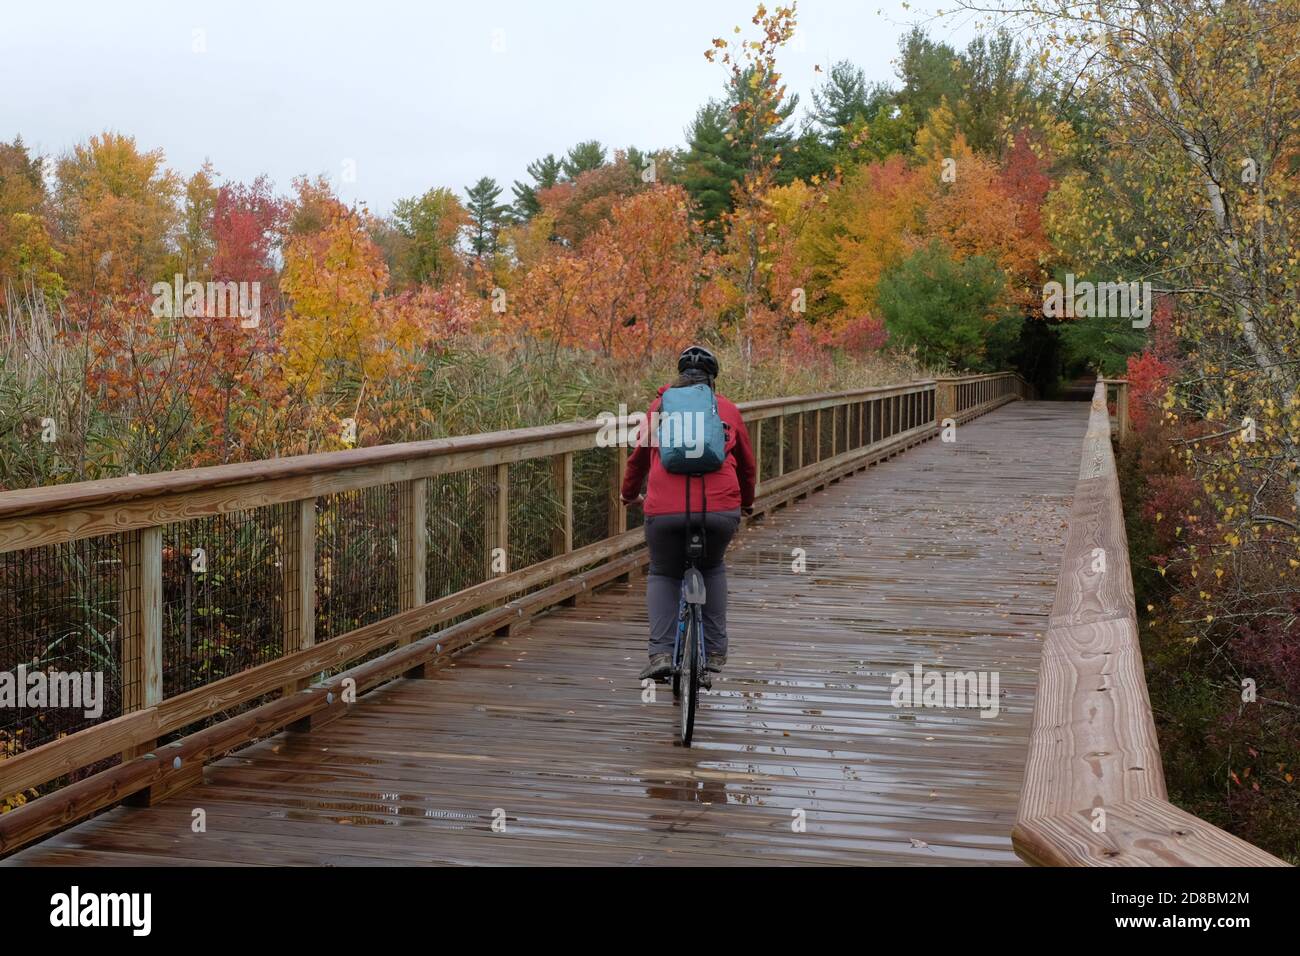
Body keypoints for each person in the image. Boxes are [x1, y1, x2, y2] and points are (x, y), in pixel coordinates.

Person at [621, 345, 756, 688]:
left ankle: (662, 654)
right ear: (712, 379)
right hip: (720, 510)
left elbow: (637, 461)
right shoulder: (726, 409)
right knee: (711, 567)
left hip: (665, 510)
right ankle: (712, 653)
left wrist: (628, 495)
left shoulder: (660, 407)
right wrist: (747, 502)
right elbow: (748, 466)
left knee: (664, 572)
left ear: (679, 375)